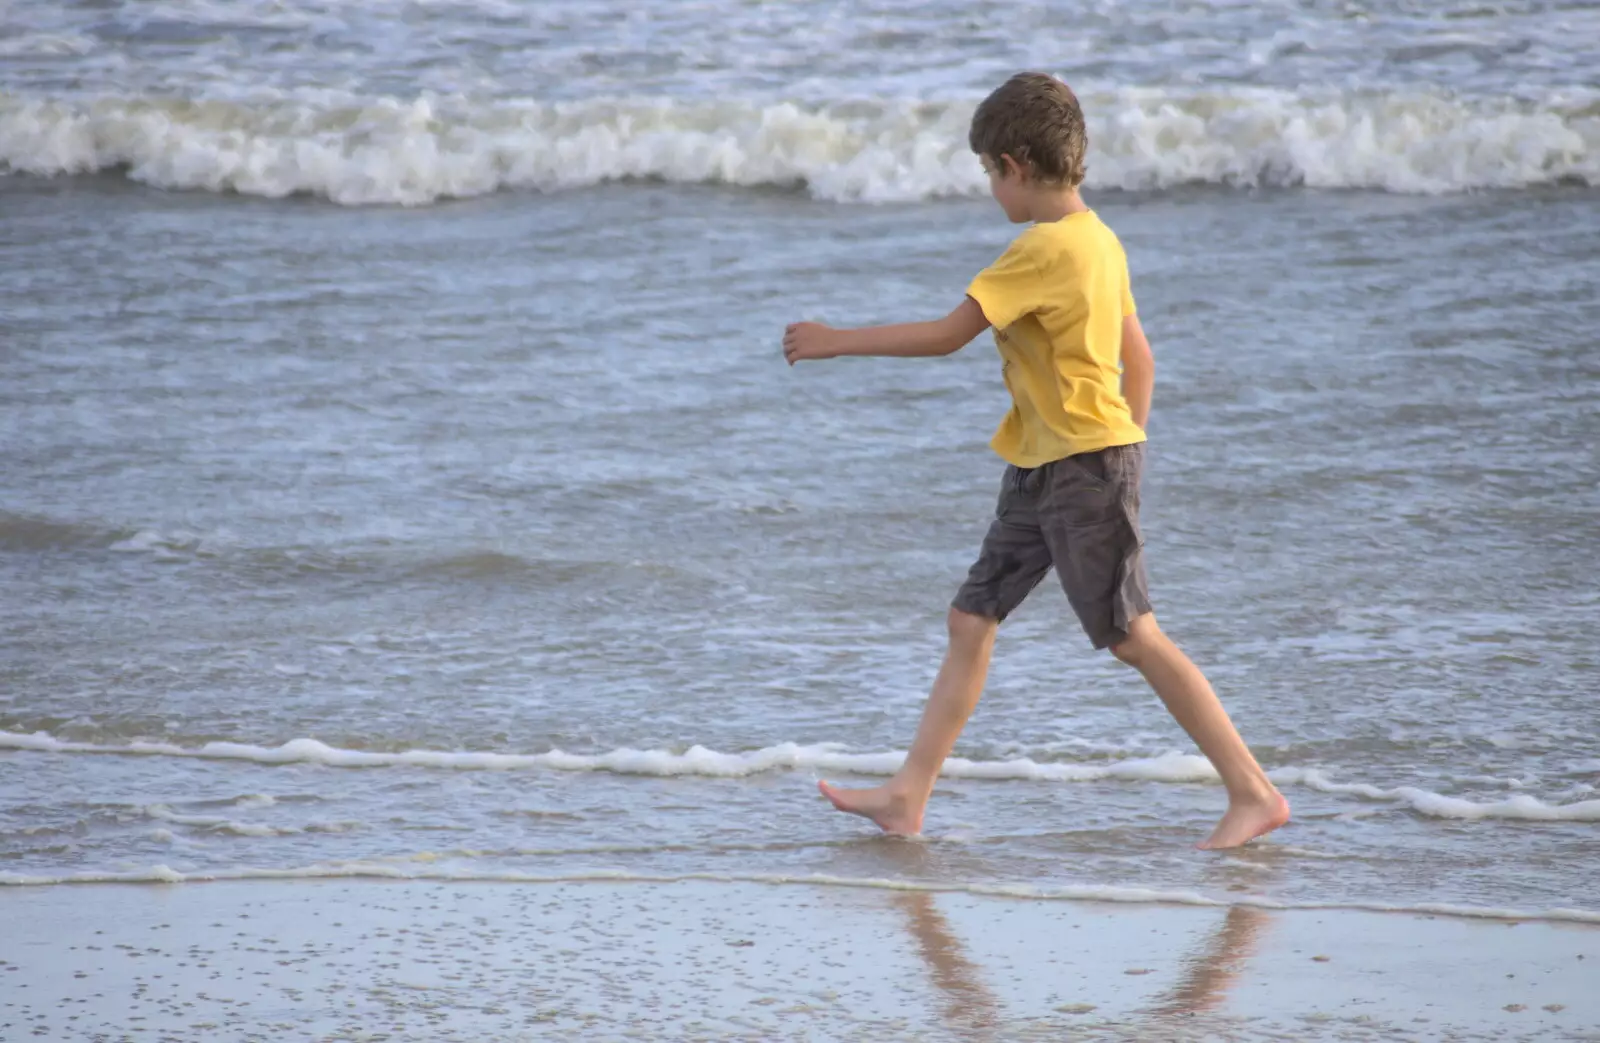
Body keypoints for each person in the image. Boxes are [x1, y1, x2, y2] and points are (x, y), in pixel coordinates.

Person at [781, 72, 1289, 850]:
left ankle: (1253, 792)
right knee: (970, 616)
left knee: (1133, 635)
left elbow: (951, 334)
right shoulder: (1100, 239)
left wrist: (834, 339)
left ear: (1016, 165)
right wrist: (1129, 452)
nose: (991, 188)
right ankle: (907, 795)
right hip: (1050, 465)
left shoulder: (1039, 248)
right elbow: (1141, 360)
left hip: (1079, 467)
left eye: (990, 172)